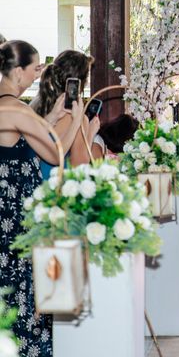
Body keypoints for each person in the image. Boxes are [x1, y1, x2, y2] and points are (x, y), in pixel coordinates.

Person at [0, 40, 84, 357]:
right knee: (26, 291)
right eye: (34, 68)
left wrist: (47, 119)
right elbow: (55, 152)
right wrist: (76, 119)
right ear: (18, 71)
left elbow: (20, 140)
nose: (37, 75)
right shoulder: (16, 109)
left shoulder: (10, 109)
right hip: (18, 217)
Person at [31, 50, 100, 178]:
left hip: (33, 182)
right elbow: (79, 166)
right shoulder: (75, 117)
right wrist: (90, 133)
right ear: (81, 82)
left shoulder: (36, 104)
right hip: (55, 187)